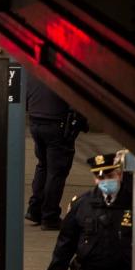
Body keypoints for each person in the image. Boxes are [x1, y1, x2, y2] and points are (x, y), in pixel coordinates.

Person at [45, 152, 133, 270]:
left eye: (109, 175)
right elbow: (66, 242)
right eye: (99, 177)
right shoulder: (83, 204)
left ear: (119, 174)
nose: (105, 181)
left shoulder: (133, 203)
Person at [26, 77, 88, 230]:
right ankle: (50, 216)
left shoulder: (35, 66)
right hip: (56, 123)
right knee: (56, 172)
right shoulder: (65, 70)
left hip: (36, 120)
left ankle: (35, 210)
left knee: (43, 166)